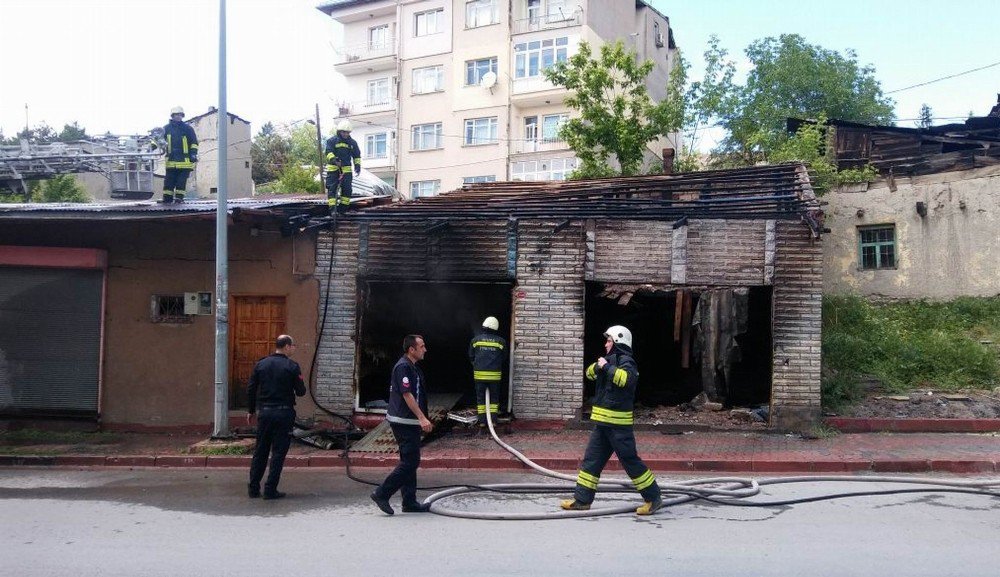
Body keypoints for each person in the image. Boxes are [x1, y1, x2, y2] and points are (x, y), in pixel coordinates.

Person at [561, 325, 663, 515]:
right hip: (602, 425)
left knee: (630, 462)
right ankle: (582, 500)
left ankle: (653, 498)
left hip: (618, 426)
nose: (605, 344)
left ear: (617, 342)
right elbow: (589, 374)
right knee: (591, 461)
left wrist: (607, 367)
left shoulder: (627, 362)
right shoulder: (608, 360)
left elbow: (626, 380)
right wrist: (600, 365)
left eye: (609, 340)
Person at [371, 334, 434, 515]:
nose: (425, 349)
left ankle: (409, 501)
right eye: (422, 346)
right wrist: (422, 418)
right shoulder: (403, 368)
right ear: (411, 350)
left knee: (409, 461)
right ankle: (382, 493)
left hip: (407, 421)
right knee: (411, 462)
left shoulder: (411, 367)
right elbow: (407, 395)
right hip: (404, 421)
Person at [247, 334, 306, 500]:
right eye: (293, 345)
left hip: (265, 413)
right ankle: (270, 489)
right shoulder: (292, 366)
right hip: (283, 413)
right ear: (286, 346)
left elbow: (251, 389)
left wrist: (251, 410)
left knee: (261, 451)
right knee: (278, 453)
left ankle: (253, 488)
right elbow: (301, 392)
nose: (294, 348)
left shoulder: (261, 364)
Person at [468, 316, 506, 428]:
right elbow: (504, 357)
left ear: (484, 326)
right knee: (494, 399)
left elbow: (471, 356)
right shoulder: (501, 341)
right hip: (495, 376)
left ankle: (482, 422)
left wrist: (477, 365)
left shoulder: (475, 340)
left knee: (480, 399)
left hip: (479, 375)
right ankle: (493, 421)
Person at [161, 106, 198, 203]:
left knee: (181, 182)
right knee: (169, 182)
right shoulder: (166, 129)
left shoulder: (188, 129)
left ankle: (179, 198)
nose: (178, 117)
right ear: (172, 116)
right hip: (171, 162)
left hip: (185, 162)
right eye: (176, 115)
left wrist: (193, 154)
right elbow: (158, 140)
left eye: (180, 115)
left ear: (182, 116)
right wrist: (151, 148)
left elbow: (194, 142)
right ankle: (167, 199)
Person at [324, 119, 361, 214]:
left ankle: (343, 210)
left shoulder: (352, 143)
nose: (345, 134)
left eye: (347, 132)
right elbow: (328, 152)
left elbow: (356, 155)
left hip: (346, 170)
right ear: (339, 131)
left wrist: (357, 166)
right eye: (344, 132)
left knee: (347, 190)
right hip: (333, 169)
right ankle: (333, 210)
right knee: (332, 189)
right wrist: (333, 160)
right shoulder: (331, 141)